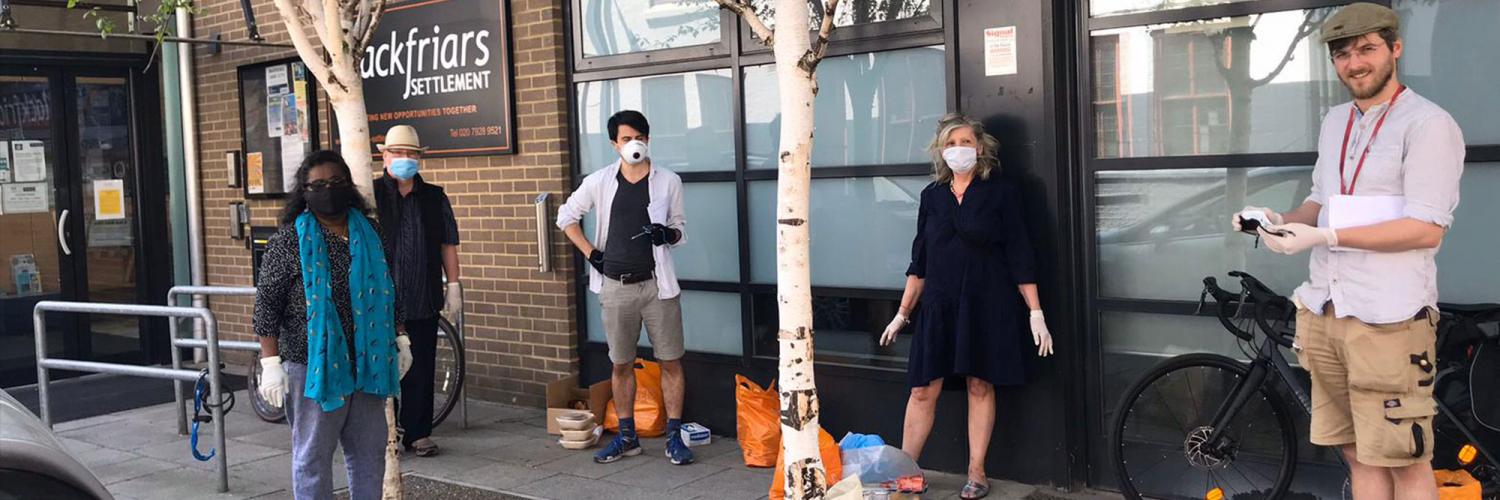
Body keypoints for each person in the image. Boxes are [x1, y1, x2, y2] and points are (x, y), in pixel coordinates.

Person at [1232, 3, 1465, 499]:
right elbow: (1322, 203)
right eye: (1342, 54)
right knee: (1357, 453)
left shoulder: (1429, 125)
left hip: (1390, 317)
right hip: (1325, 309)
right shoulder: (1336, 121)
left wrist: (1329, 237)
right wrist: (1277, 220)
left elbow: (1427, 229)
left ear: (1394, 49)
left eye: (1366, 49)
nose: (1354, 63)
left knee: (1405, 459)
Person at [879, 113, 1054, 500]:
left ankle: (977, 471)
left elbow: (1020, 254)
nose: (960, 148)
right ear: (942, 151)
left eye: (966, 142)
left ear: (981, 147)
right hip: (939, 307)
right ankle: (909, 469)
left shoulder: (1001, 192)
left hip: (986, 304)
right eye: (952, 142)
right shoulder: (932, 197)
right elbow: (920, 262)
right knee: (923, 389)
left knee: (979, 383)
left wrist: (1035, 312)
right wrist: (902, 313)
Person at [254, 150, 412, 500]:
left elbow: (388, 289)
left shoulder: (370, 232)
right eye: (319, 185)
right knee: (313, 457)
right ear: (304, 191)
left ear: (349, 186)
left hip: (368, 365)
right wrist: (270, 365)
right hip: (312, 367)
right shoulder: (288, 242)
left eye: (336, 183)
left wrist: (401, 338)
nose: (328, 190)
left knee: (370, 455)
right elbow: (267, 305)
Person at [555, 110, 693, 465]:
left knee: (671, 361)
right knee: (621, 364)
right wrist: (592, 255)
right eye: (627, 138)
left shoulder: (668, 180)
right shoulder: (600, 181)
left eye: (640, 137)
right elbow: (566, 216)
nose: (635, 144)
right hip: (616, 287)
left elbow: (680, 230)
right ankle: (627, 437)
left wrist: (668, 234)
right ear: (614, 143)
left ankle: (674, 437)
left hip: (657, 286)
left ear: (648, 139)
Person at [373, 125, 463, 457]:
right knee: (384, 368)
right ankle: (387, 433)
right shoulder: (372, 196)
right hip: (381, 301)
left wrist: (453, 284)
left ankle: (419, 433)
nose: (405, 159)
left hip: (423, 296)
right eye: (398, 153)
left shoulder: (434, 197)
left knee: (421, 366)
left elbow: (448, 243)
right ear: (384, 156)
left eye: (411, 154)